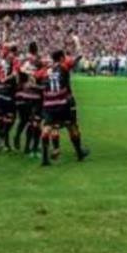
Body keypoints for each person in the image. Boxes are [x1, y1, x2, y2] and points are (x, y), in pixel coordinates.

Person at [37, 35, 89, 167]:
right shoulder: (64, 65)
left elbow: (35, 76)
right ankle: (79, 153)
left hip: (48, 103)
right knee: (72, 126)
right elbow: (79, 56)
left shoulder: (45, 70)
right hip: (63, 102)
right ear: (61, 58)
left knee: (47, 128)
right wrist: (77, 41)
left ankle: (44, 158)